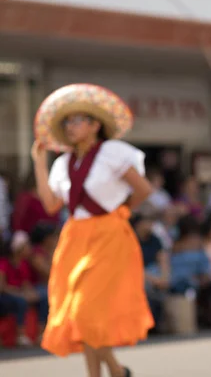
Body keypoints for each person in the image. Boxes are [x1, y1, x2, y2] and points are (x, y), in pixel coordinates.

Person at [31, 83, 155, 377]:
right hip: (75, 237)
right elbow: (51, 204)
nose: (71, 126)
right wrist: (38, 162)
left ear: (95, 124)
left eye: (77, 120)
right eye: (68, 122)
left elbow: (143, 189)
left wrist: (120, 213)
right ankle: (114, 371)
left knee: (86, 310)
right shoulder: (63, 163)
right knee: (81, 313)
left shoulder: (112, 152)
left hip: (109, 236)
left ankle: (104, 373)